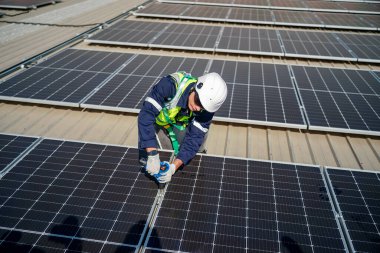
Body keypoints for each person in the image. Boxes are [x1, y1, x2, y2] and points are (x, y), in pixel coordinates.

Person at [138, 71, 227, 183]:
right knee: (152, 161)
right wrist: (152, 153)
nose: (198, 109)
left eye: (203, 107)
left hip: (179, 124)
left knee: (194, 149)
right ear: (195, 88)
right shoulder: (169, 85)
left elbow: (194, 139)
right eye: (198, 102)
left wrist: (173, 168)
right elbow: (146, 116)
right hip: (157, 124)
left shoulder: (207, 108)